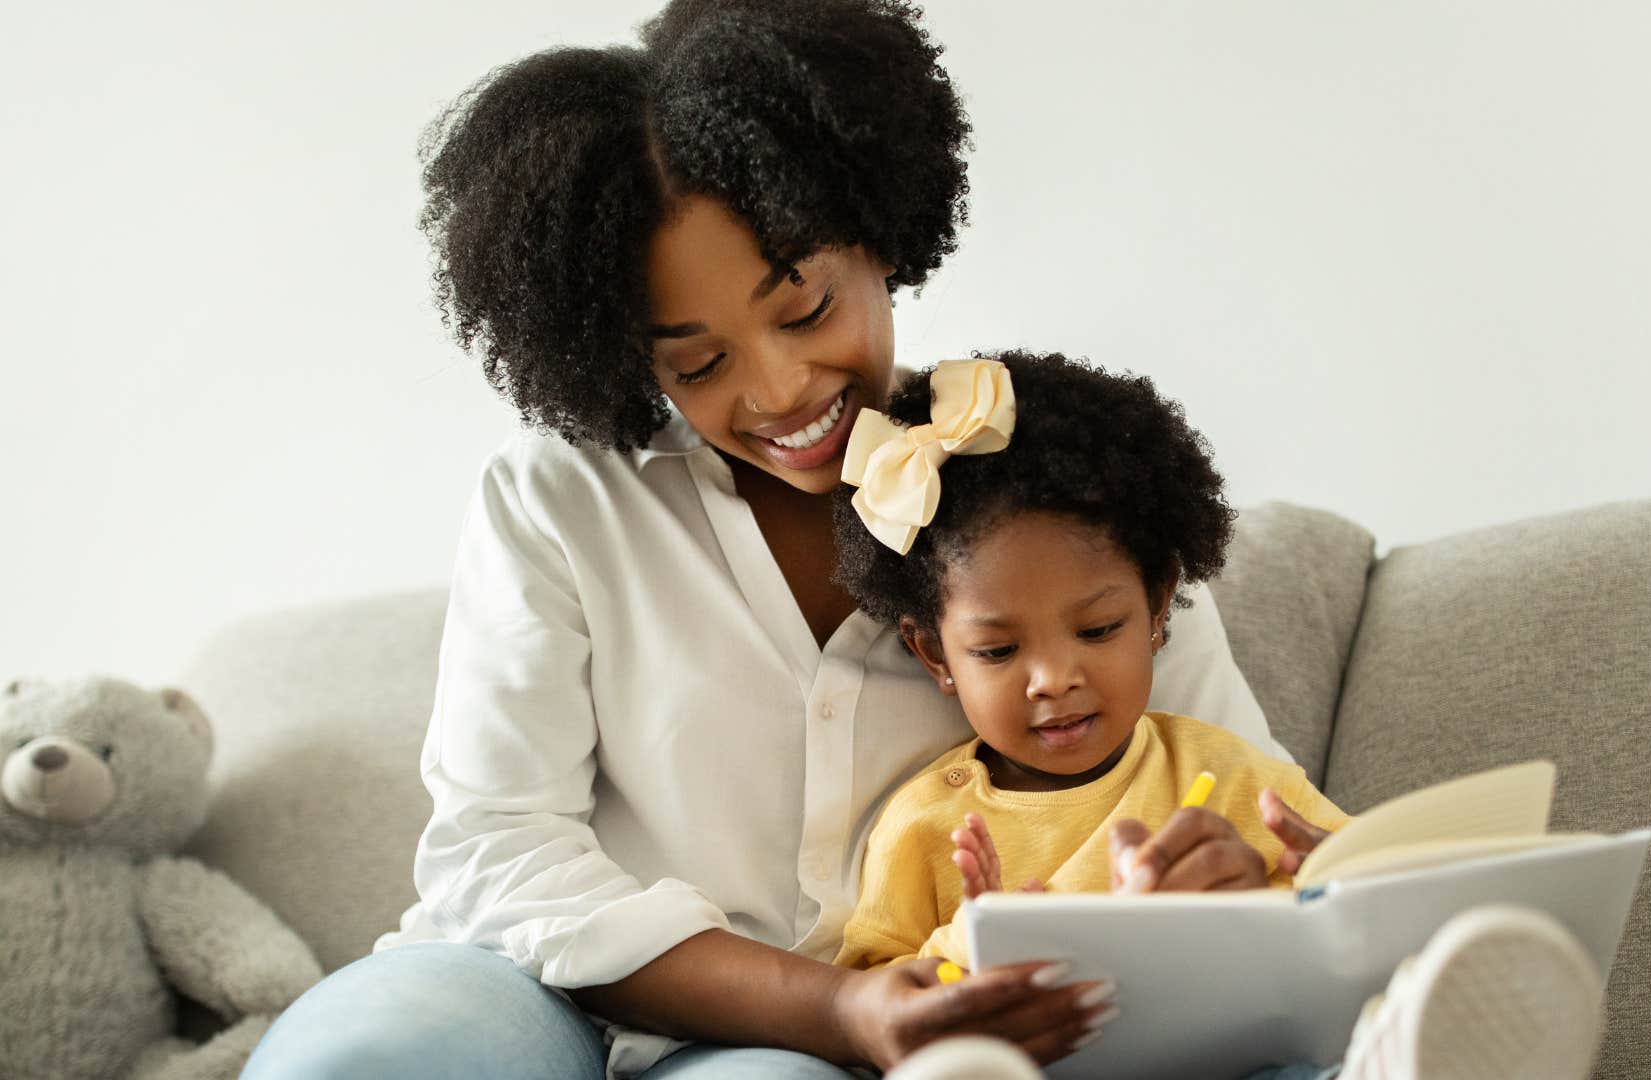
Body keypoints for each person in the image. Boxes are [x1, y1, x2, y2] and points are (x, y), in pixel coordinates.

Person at [240, 3, 1303, 1077]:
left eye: (804, 309)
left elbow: (1247, 805)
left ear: (877, 230)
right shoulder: (558, 505)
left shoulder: (1062, 489)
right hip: (531, 993)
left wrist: (1215, 880)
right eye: (696, 365)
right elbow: (499, 845)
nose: (780, 389)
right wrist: (831, 1007)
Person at [826, 353, 1608, 1080]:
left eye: (1099, 631)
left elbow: (1355, 902)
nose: (1055, 680)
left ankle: (1407, 1056)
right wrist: (973, 934)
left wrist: (1313, 875)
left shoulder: (1222, 773)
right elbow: (872, 1016)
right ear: (934, 655)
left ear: (1159, 608)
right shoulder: (928, 825)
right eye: (997, 651)